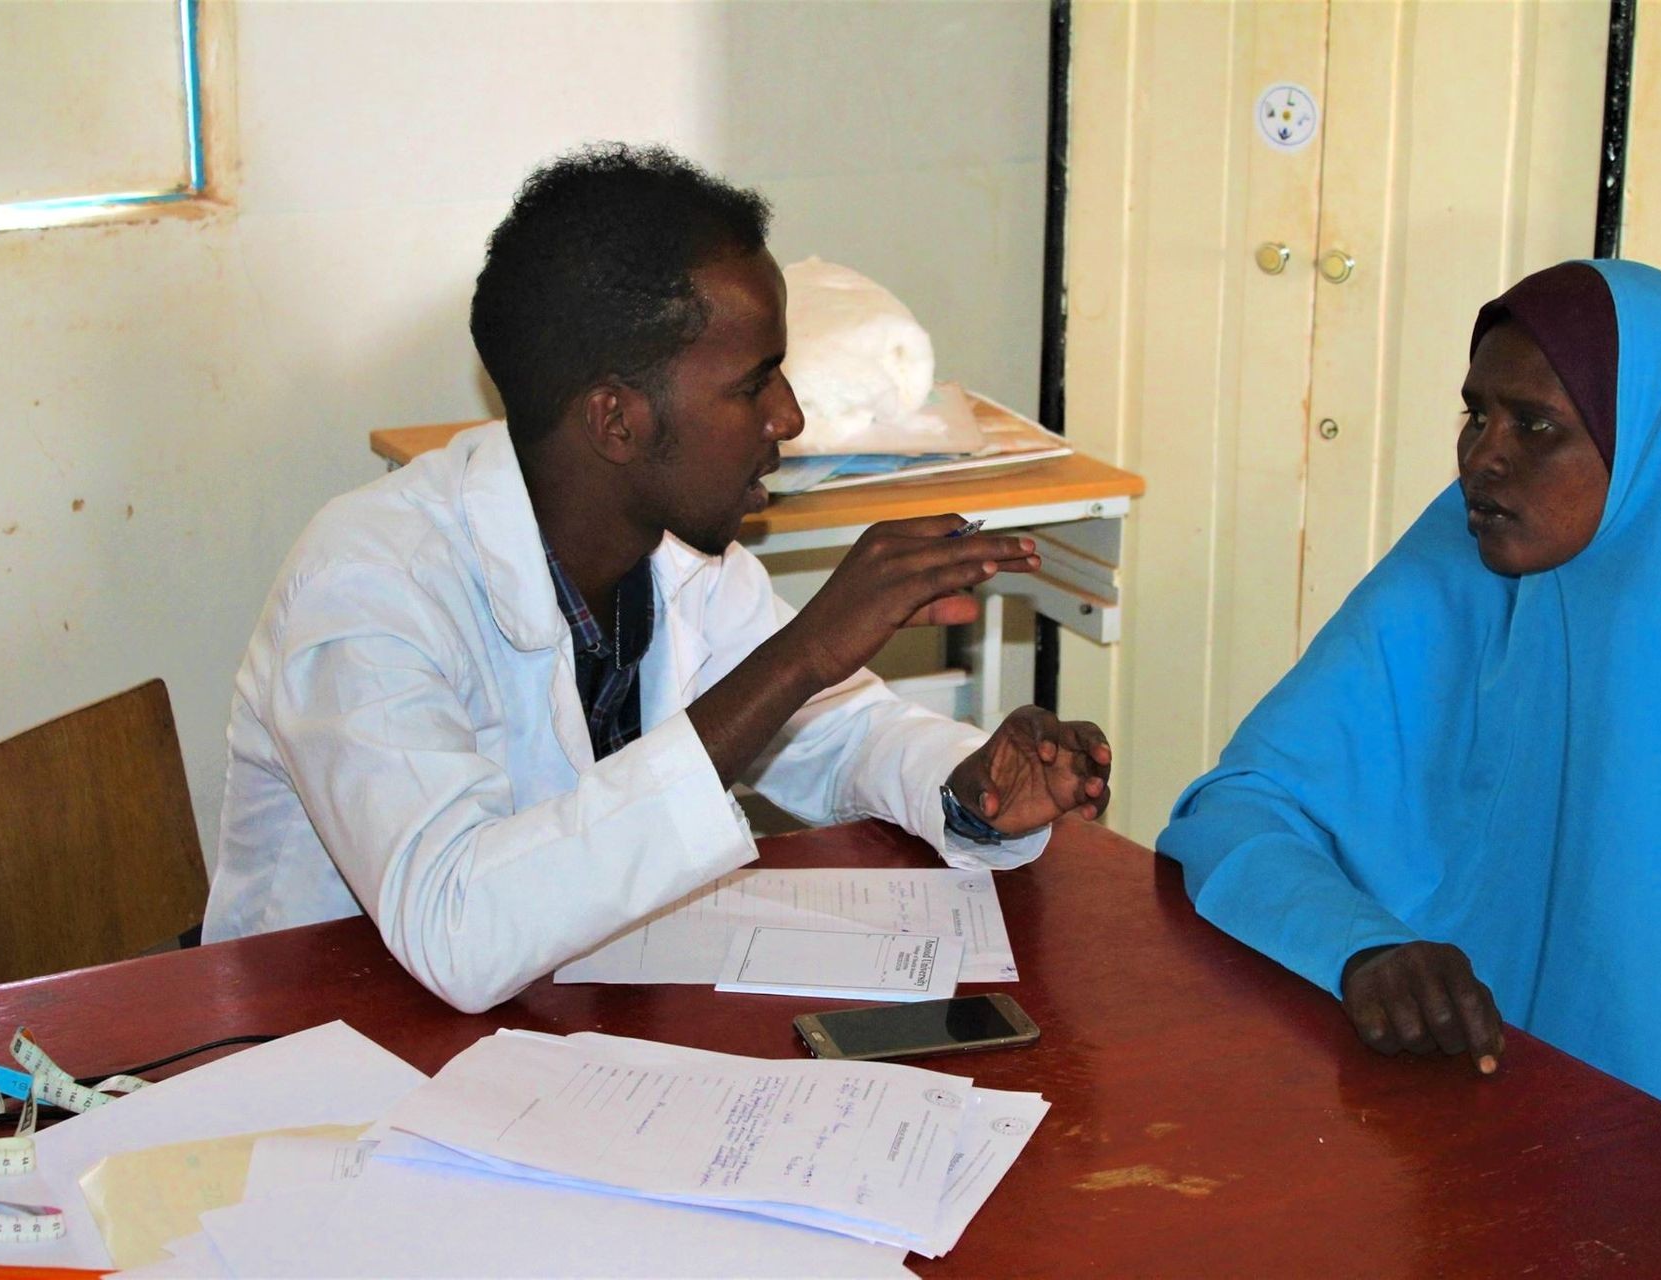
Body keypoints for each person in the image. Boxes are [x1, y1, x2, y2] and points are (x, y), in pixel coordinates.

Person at [206, 144, 1111, 1014]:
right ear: (616, 420)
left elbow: (836, 736)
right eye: (754, 383)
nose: (789, 417)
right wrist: (800, 656)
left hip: (556, 1036)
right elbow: (458, 929)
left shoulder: (677, 557)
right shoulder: (367, 583)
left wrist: (974, 789)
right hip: (329, 1066)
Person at [1158, 259, 1661, 1205]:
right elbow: (1238, 806)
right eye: (1475, 414)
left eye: (1535, 426)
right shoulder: (1460, 564)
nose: (1481, 457)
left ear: (1652, 443)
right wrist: (1364, 946)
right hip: (1479, 1140)